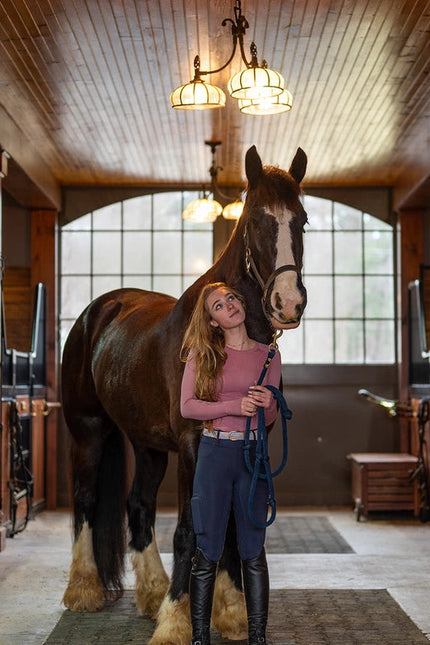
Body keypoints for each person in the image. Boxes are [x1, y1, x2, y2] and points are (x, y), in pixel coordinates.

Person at [180, 282, 282, 645]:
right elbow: (188, 407)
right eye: (219, 306)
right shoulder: (203, 354)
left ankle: (258, 636)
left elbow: (269, 419)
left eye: (231, 299)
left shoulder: (268, 354)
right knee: (207, 549)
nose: (229, 306)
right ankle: (199, 639)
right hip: (215, 454)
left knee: (253, 549)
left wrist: (268, 401)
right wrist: (231, 406)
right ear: (212, 321)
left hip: (253, 455)